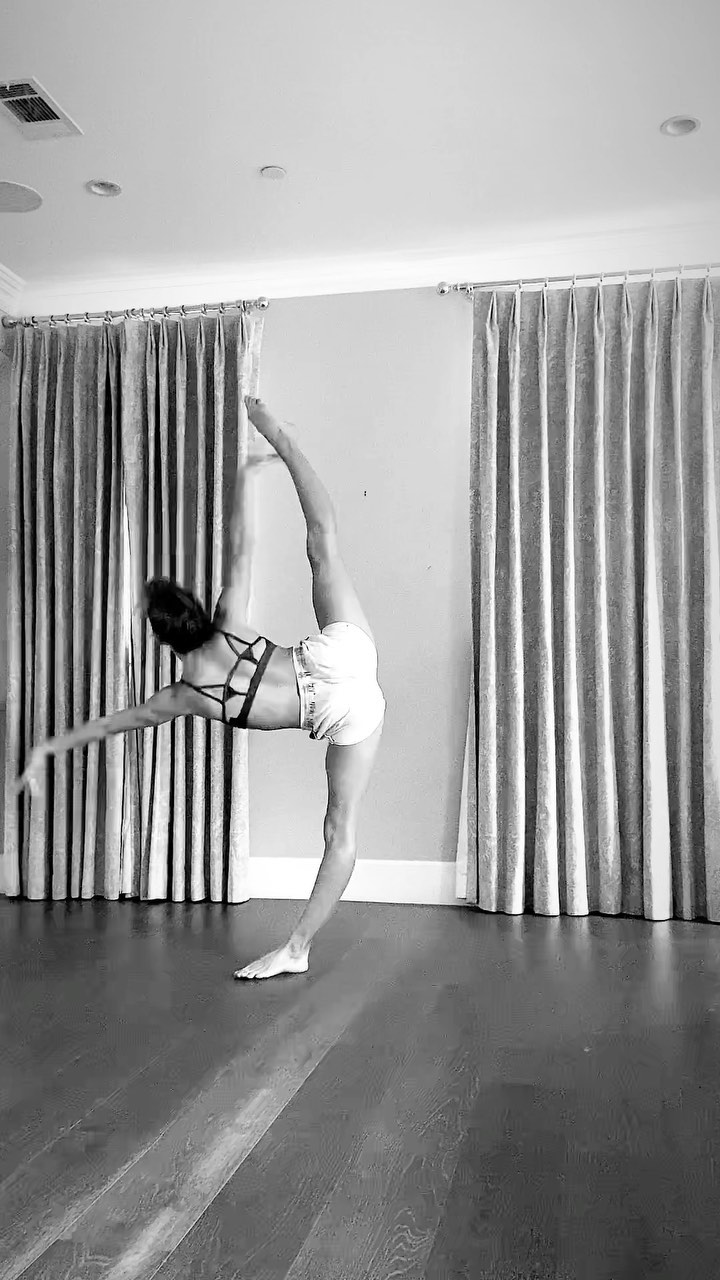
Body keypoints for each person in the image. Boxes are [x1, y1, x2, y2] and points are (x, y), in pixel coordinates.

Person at [16, 397, 386, 980]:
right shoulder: (229, 619)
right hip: (343, 652)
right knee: (323, 544)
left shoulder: (186, 695)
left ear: (162, 639)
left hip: (342, 710)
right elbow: (242, 546)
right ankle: (286, 441)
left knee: (339, 831)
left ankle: (297, 949)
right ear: (193, 607)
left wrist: (47, 747)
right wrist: (250, 473)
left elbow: (116, 722)